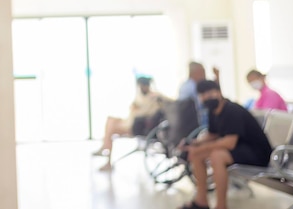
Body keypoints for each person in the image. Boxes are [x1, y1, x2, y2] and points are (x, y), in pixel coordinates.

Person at [178, 80, 271, 209]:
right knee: (197, 155)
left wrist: (200, 148)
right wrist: (193, 143)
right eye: (202, 95)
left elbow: (229, 143)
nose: (206, 97)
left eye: (209, 93)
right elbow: (212, 135)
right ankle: (201, 201)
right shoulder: (213, 110)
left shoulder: (232, 110)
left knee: (217, 155)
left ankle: (221, 206)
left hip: (257, 153)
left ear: (219, 92)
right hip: (239, 149)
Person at [93, 76, 166, 171]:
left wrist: (137, 110)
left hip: (137, 126)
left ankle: (105, 151)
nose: (141, 88)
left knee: (111, 129)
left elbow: (146, 112)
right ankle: (104, 146)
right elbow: (134, 107)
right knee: (110, 120)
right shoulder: (141, 96)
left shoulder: (154, 97)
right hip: (130, 120)